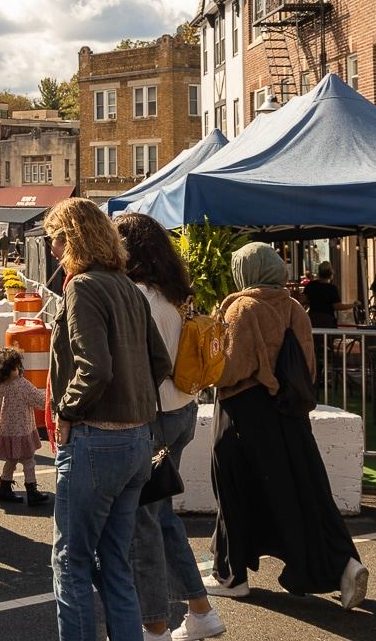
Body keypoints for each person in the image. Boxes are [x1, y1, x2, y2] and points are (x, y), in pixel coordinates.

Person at [209, 243, 368, 611]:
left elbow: (230, 369)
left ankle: (232, 575)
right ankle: (342, 564)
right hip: (289, 412)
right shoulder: (295, 308)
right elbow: (307, 366)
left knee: (234, 491)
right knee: (302, 489)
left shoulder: (241, 307)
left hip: (243, 413)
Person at [44, 197, 172, 641]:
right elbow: (159, 361)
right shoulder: (127, 287)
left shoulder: (84, 287)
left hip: (97, 439)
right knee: (115, 562)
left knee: (71, 563)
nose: (54, 250)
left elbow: (94, 368)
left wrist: (67, 411)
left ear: (72, 238)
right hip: (136, 440)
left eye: (56, 239)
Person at [116, 212, 226, 641]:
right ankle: (200, 611)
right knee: (159, 515)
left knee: (144, 523)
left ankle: (154, 625)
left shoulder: (136, 295)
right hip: (180, 408)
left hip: (154, 415)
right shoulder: (176, 293)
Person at [0, 348, 47, 506]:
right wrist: (51, 396)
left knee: (11, 460)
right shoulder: (22, 385)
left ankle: (4, 489)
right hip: (22, 432)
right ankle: (32, 490)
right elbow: (41, 401)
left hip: (6, 432)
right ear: (13, 368)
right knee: (28, 461)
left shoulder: (1, 387)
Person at [304, 262, 341, 330]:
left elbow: (304, 300)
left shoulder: (311, 285)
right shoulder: (332, 288)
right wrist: (353, 305)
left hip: (313, 319)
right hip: (327, 321)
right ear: (331, 274)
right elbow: (337, 306)